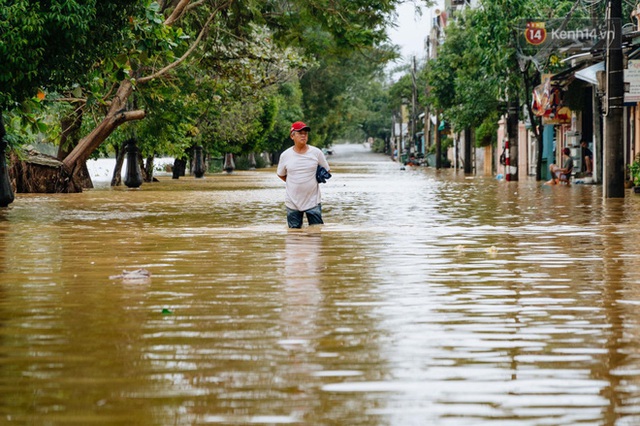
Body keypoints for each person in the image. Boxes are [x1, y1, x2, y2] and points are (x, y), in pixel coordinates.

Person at [277, 121, 331, 228]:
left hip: (313, 201)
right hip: (292, 202)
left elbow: (327, 170)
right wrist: (294, 182)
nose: (303, 135)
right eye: (300, 133)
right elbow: (280, 174)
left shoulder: (316, 153)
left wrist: (316, 177)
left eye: (305, 133)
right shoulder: (285, 155)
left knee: (316, 231)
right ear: (292, 136)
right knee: (294, 234)